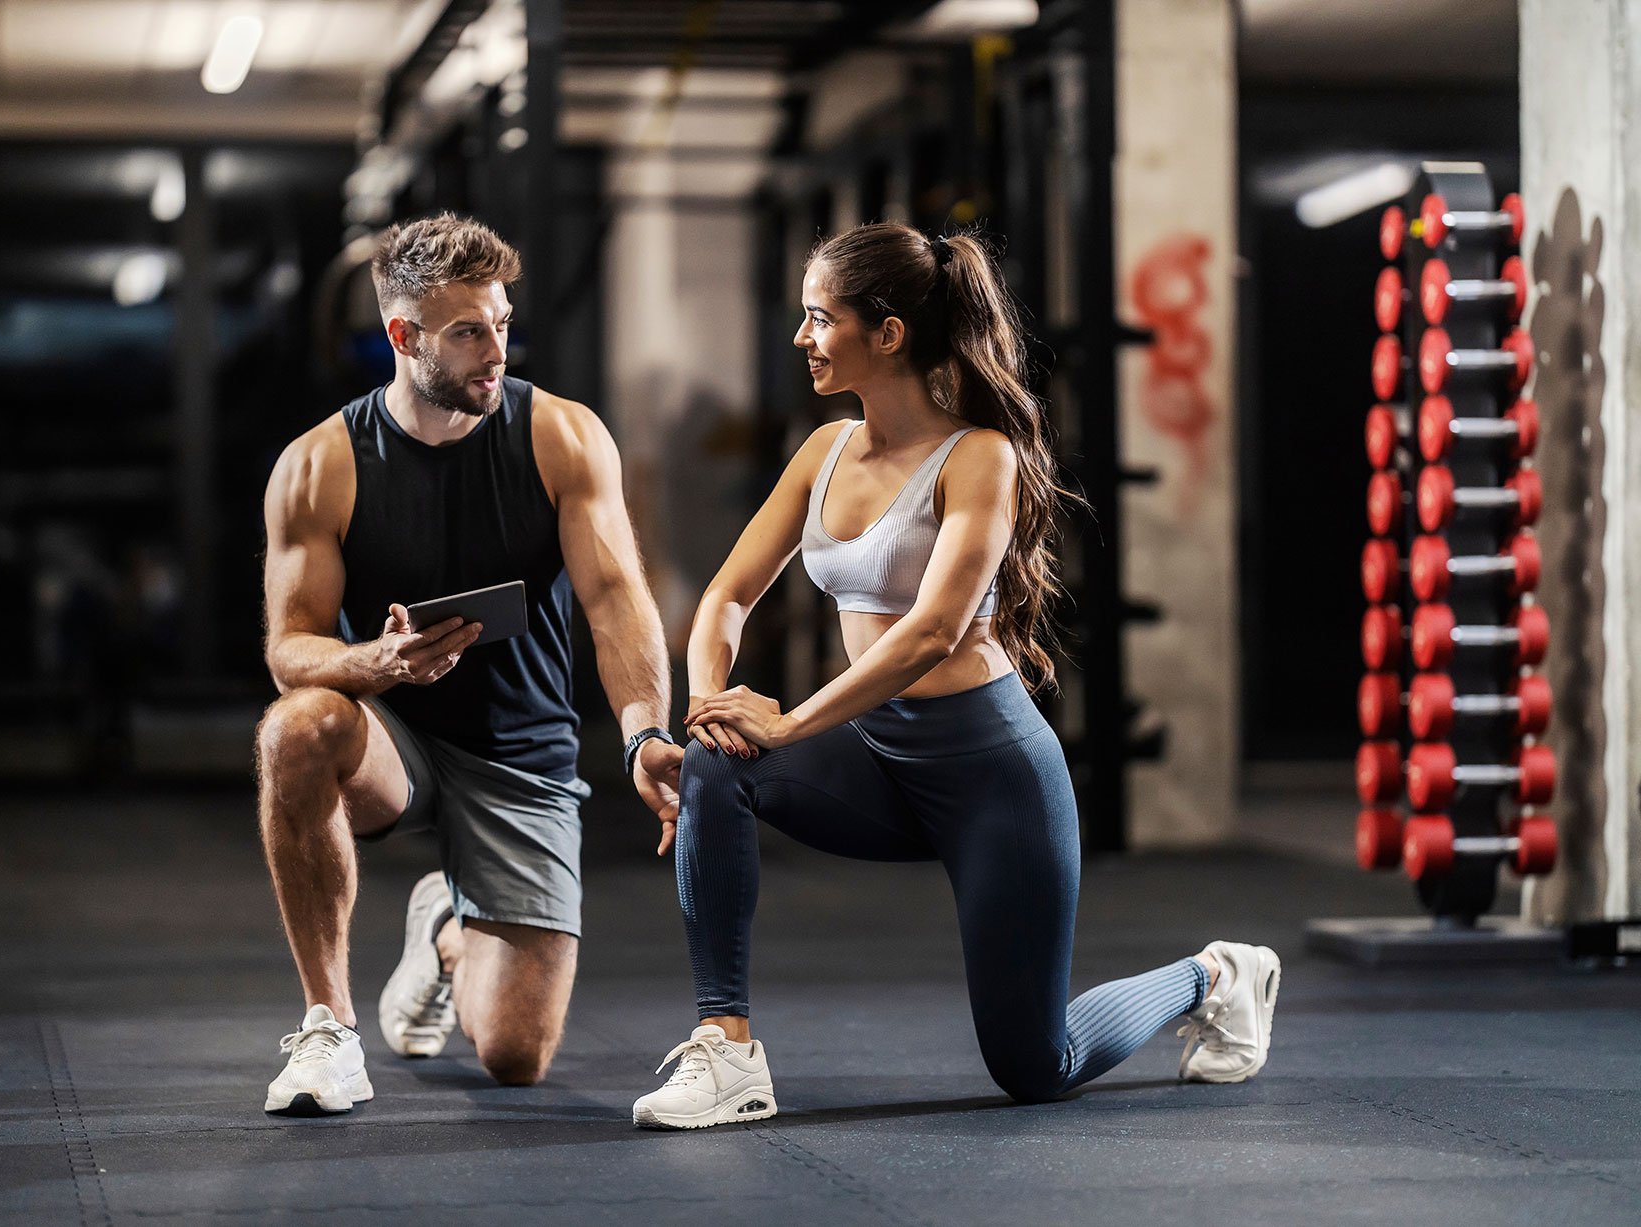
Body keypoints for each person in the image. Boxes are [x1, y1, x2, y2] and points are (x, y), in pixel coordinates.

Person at [630, 223, 1280, 1129]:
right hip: (880, 761)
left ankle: (1214, 976)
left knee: (1034, 1065)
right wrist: (709, 706)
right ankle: (728, 1053)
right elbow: (727, 596)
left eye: (820, 318)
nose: (802, 336)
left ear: (887, 333)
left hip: (992, 776)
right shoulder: (821, 453)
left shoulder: (980, 457)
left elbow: (933, 631)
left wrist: (788, 723)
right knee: (717, 758)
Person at [257, 213, 682, 1116]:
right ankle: (329, 1029)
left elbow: (615, 600)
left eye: (501, 322)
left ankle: (448, 928)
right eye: (467, 331)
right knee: (298, 725)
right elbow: (290, 647)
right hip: (392, 741)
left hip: (521, 755)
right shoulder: (319, 465)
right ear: (402, 337)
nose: (496, 349)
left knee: (515, 1056)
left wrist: (645, 730)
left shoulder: (561, 436)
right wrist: (377, 661)